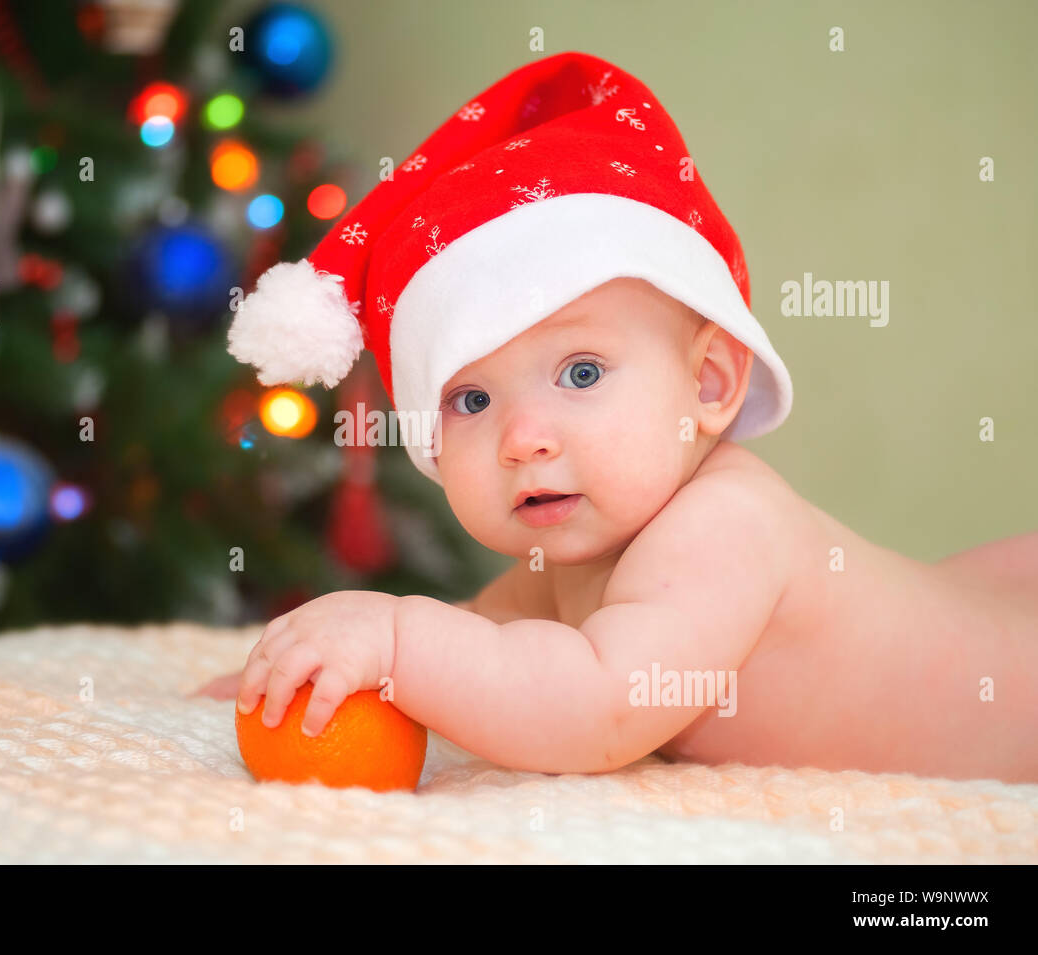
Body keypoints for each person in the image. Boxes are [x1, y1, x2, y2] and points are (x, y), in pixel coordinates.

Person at [196, 51, 1038, 784]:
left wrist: (396, 642)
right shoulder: (572, 545)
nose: (525, 437)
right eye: (473, 399)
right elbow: (492, 638)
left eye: (583, 371)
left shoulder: (727, 528)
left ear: (708, 383)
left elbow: (594, 705)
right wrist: (324, 665)